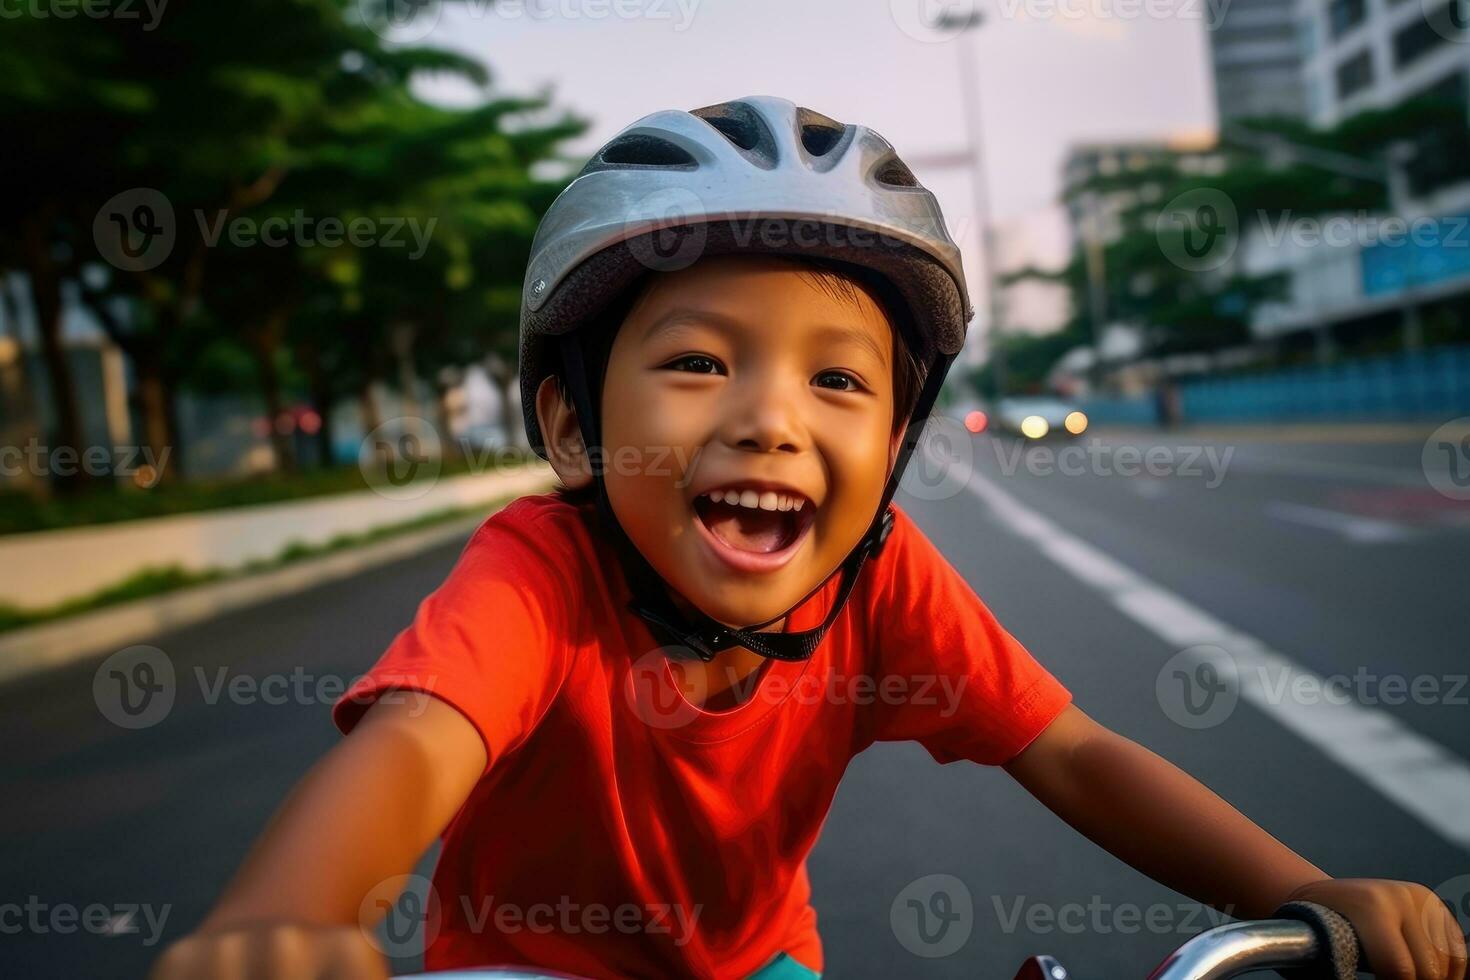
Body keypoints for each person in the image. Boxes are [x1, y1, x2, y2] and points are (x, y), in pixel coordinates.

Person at [152, 97, 1465, 980]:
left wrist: (1302, 893)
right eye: (698, 362)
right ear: (569, 429)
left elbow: (1069, 753)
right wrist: (285, 915)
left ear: (895, 443)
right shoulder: (541, 572)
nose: (770, 421)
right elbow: (416, 741)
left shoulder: (881, 578)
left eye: (839, 382)